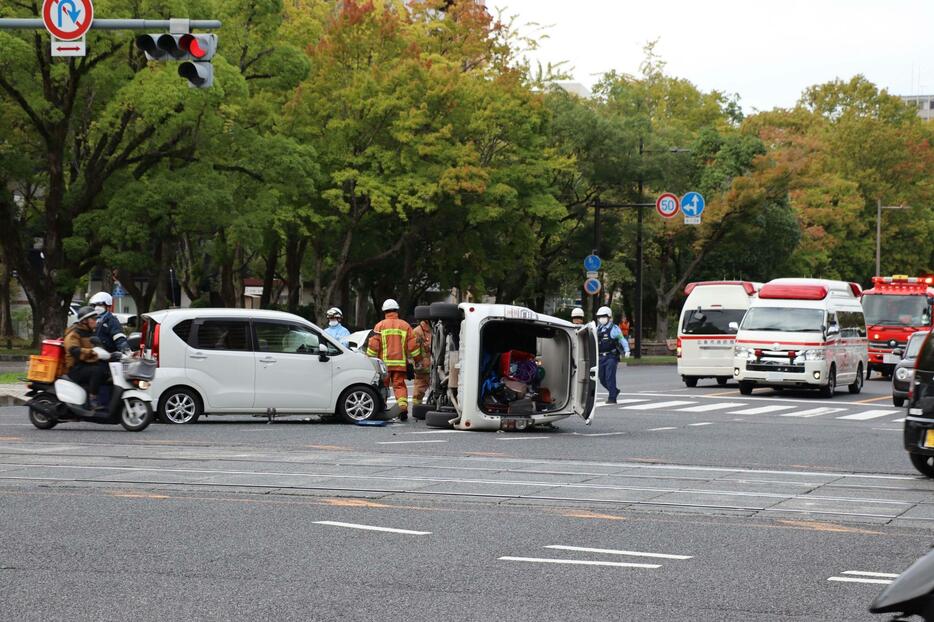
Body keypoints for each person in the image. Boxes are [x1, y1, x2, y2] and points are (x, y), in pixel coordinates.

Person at [367, 299, 420, 420]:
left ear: (384, 311)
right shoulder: (405, 325)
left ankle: (381, 409)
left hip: (383, 365)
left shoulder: (379, 325)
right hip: (400, 364)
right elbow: (413, 346)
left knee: (383, 387)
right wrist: (418, 359)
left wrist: (369, 360)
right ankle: (403, 409)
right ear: (397, 310)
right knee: (399, 386)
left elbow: (373, 346)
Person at [63, 306, 110, 410]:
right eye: (93, 319)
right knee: (96, 371)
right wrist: (92, 352)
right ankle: (93, 399)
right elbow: (74, 350)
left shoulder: (90, 333)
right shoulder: (74, 333)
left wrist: (112, 355)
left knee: (106, 370)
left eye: (96, 319)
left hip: (85, 364)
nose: (96, 321)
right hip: (75, 367)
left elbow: (99, 348)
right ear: (84, 321)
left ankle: (104, 399)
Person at [595, 306, 627, 404]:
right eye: (600, 317)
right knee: (602, 379)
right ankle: (615, 391)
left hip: (611, 356)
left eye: (604, 316)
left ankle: (612, 398)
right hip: (600, 357)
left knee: (609, 377)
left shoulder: (614, 328)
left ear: (609, 317)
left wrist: (627, 350)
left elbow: (622, 339)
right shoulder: (597, 328)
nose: (602, 319)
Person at [411, 318, 432, 409]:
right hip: (423, 367)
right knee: (419, 388)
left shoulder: (435, 329)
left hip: (435, 366)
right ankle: (417, 407)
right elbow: (413, 350)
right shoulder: (417, 331)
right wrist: (417, 364)